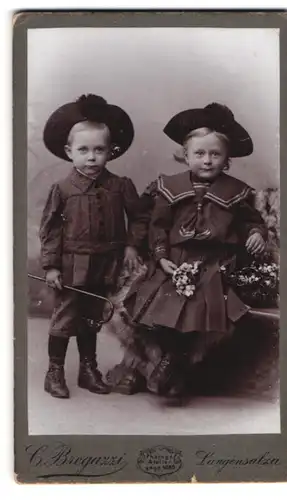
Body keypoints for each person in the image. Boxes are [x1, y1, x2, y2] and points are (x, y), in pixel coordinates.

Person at [115, 102, 268, 397]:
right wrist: (160, 257)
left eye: (215, 154)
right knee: (154, 305)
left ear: (227, 160)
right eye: (199, 153)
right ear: (185, 155)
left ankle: (176, 367)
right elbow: (157, 226)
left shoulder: (238, 192)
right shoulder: (168, 187)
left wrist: (257, 234)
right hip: (172, 261)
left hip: (214, 264)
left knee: (201, 312)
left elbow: (253, 222)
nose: (207, 160)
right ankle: (160, 364)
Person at [39, 94, 143, 399]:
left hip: (107, 265)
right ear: (69, 152)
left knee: (92, 318)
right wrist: (51, 265)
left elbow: (139, 218)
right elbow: (50, 230)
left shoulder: (121, 186)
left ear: (111, 151)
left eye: (99, 150)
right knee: (65, 317)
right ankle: (54, 371)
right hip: (72, 267)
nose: (92, 157)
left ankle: (88, 370)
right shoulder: (62, 189)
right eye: (83, 150)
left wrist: (132, 246)